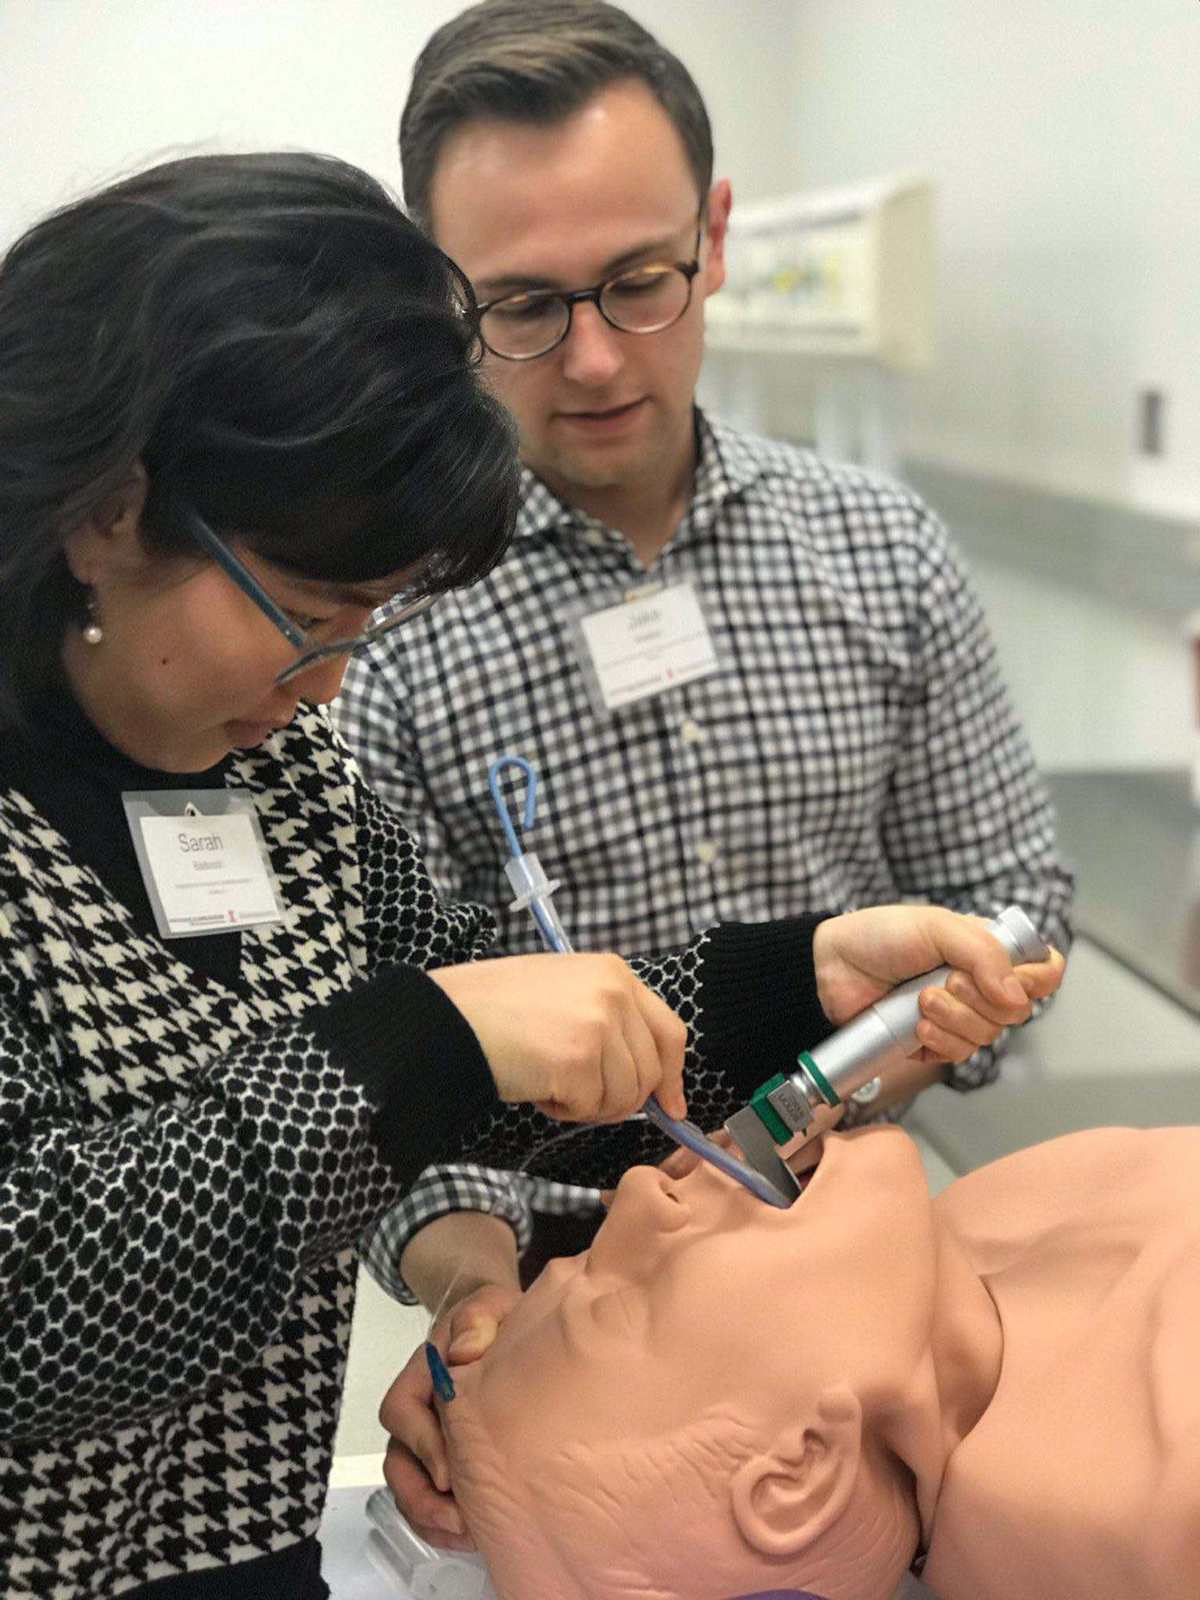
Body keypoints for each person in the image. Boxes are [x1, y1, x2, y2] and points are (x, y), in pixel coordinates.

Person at [0, 150, 1062, 1599]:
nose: (326, 689)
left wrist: (792, 980)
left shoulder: (292, 787)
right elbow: (32, 1298)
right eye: (308, 617)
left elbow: (512, 1091)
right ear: (108, 512)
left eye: (362, 629)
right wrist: (420, 1043)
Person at [333, 0, 1070, 1539]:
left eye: (641, 282)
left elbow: (1016, 906)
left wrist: (910, 1041)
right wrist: (468, 1282)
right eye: (523, 306)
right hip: (546, 1308)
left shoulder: (881, 555)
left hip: (861, 1262)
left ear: (716, 236)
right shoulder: (369, 628)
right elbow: (357, 1049)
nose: (595, 356)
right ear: (436, 295)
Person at [440, 1123, 1200, 1600]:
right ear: (797, 1476)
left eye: (587, 1260)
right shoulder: (1158, 1514)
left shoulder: (975, 1229)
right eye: (630, 1300)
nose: (639, 1191)